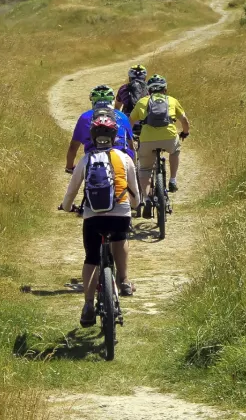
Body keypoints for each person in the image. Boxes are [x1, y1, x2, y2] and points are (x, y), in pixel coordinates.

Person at [61, 115, 141, 327]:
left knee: (91, 258)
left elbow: (71, 191)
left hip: (93, 216)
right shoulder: (125, 158)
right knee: (121, 237)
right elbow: (135, 194)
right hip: (120, 213)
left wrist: (67, 207)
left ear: (93, 137)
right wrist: (133, 206)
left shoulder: (87, 159)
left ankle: (88, 305)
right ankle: (123, 281)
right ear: (114, 136)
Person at [130, 74, 190, 196]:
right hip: (169, 137)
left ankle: (146, 199)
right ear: (165, 89)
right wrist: (185, 132)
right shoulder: (172, 100)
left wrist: (130, 137)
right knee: (175, 151)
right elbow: (184, 121)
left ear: (149, 90)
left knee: (145, 169)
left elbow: (129, 122)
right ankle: (172, 180)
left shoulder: (142, 102)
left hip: (147, 140)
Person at [66, 85, 135, 174]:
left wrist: (69, 167)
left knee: (75, 185)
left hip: (93, 158)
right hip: (120, 157)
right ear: (111, 100)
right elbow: (131, 146)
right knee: (133, 187)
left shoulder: (85, 117)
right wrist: (133, 167)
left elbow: (73, 147)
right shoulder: (122, 116)